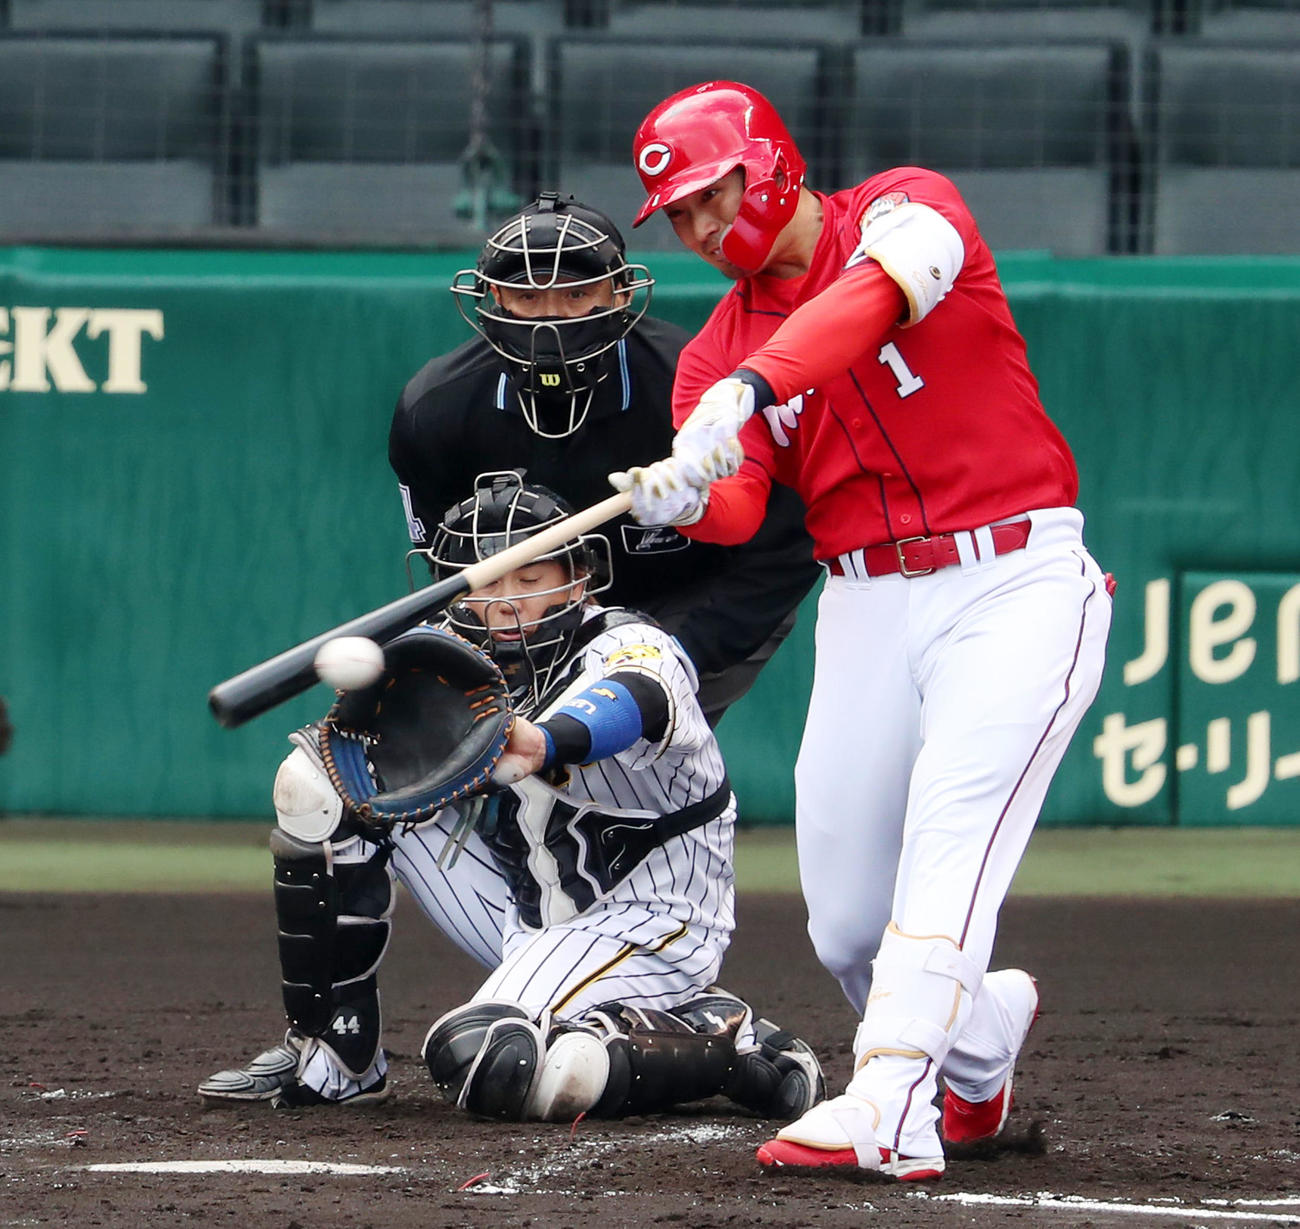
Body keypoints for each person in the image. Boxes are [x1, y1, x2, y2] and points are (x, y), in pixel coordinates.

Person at [611, 81, 1114, 1179]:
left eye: (711, 195)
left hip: (1014, 577)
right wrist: (684, 496)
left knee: (950, 837)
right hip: (867, 601)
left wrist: (751, 387)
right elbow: (738, 505)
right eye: (679, 216)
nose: (699, 228)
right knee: (846, 924)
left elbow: (871, 300)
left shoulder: (903, 207)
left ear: (769, 162)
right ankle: (980, 1045)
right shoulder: (709, 360)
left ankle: (890, 1098)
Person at [199, 474, 824, 1125]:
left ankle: (727, 1044)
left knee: (488, 1056)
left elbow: (629, 699)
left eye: (529, 578)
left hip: (649, 916)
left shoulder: (631, 644)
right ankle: (337, 1056)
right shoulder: (453, 658)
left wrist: (545, 740)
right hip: (532, 908)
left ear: (579, 580)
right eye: (486, 583)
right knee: (320, 785)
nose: (505, 603)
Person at [388, 191, 820, 723]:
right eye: (526, 296)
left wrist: (676, 658)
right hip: (528, 611)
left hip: (694, 593)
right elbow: (451, 568)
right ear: (494, 297)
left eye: (576, 294)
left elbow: (784, 546)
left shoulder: (694, 383)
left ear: (620, 294)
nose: (550, 319)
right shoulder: (435, 407)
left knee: (615, 757)